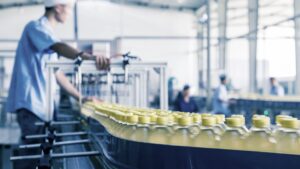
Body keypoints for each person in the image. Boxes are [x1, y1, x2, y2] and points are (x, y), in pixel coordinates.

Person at [5, 1, 109, 168]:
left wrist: (82, 98)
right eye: (68, 9)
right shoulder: (35, 28)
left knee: (40, 155)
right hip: (32, 105)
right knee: (31, 156)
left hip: (41, 107)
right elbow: (59, 47)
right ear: (58, 7)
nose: (69, 13)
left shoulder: (47, 35)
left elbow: (57, 73)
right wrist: (86, 56)